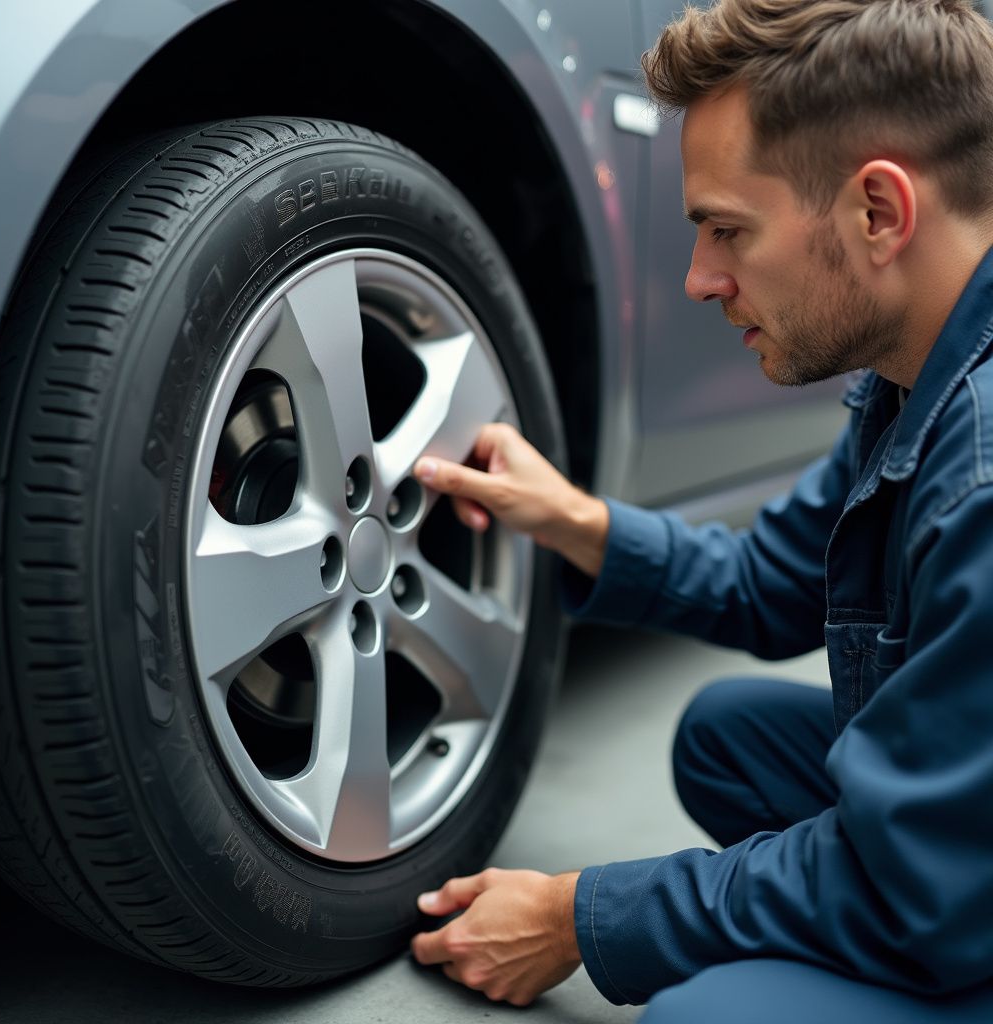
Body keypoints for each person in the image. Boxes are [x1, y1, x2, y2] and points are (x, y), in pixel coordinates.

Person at [406, 0, 993, 1019]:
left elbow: (918, 882)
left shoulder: (981, 473)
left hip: (953, 888)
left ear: (879, 212)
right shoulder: (912, 381)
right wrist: (571, 518)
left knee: (701, 1014)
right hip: (960, 847)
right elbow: (773, 585)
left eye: (728, 229)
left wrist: (578, 915)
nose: (698, 279)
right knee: (726, 736)